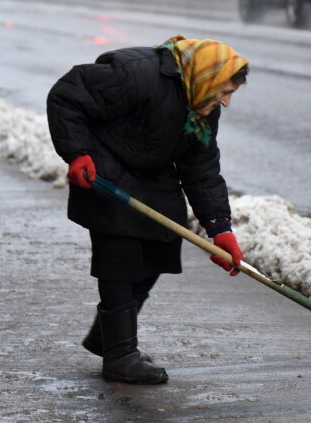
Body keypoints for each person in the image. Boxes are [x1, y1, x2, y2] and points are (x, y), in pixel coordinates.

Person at [46, 35, 249, 385]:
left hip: (152, 172)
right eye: (223, 91)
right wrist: (76, 152)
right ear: (206, 78)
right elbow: (66, 97)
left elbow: (201, 167)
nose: (226, 102)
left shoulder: (203, 104)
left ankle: (108, 338)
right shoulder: (135, 74)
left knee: (162, 243)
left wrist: (220, 227)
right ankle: (120, 354)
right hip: (103, 166)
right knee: (120, 252)